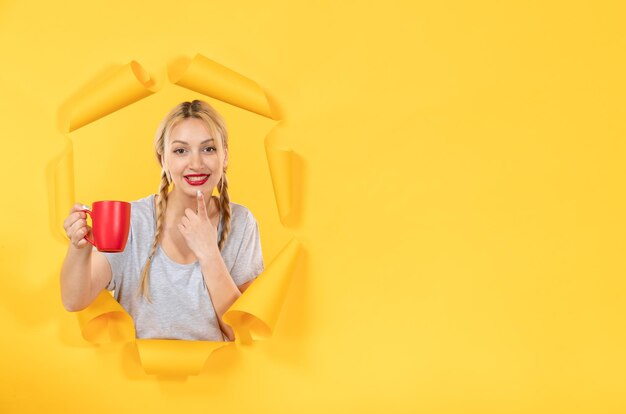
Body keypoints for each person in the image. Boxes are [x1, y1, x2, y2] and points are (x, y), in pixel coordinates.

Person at [60, 100, 264, 342]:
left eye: (208, 149)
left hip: (215, 376)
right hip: (139, 376)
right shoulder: (134, 220)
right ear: (162, 159)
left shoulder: (242, 224)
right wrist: (79, 248)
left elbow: (241, 333)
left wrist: (209, 253)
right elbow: (74, 301)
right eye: (180, 151)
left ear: (225, 157)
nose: (196, 163)